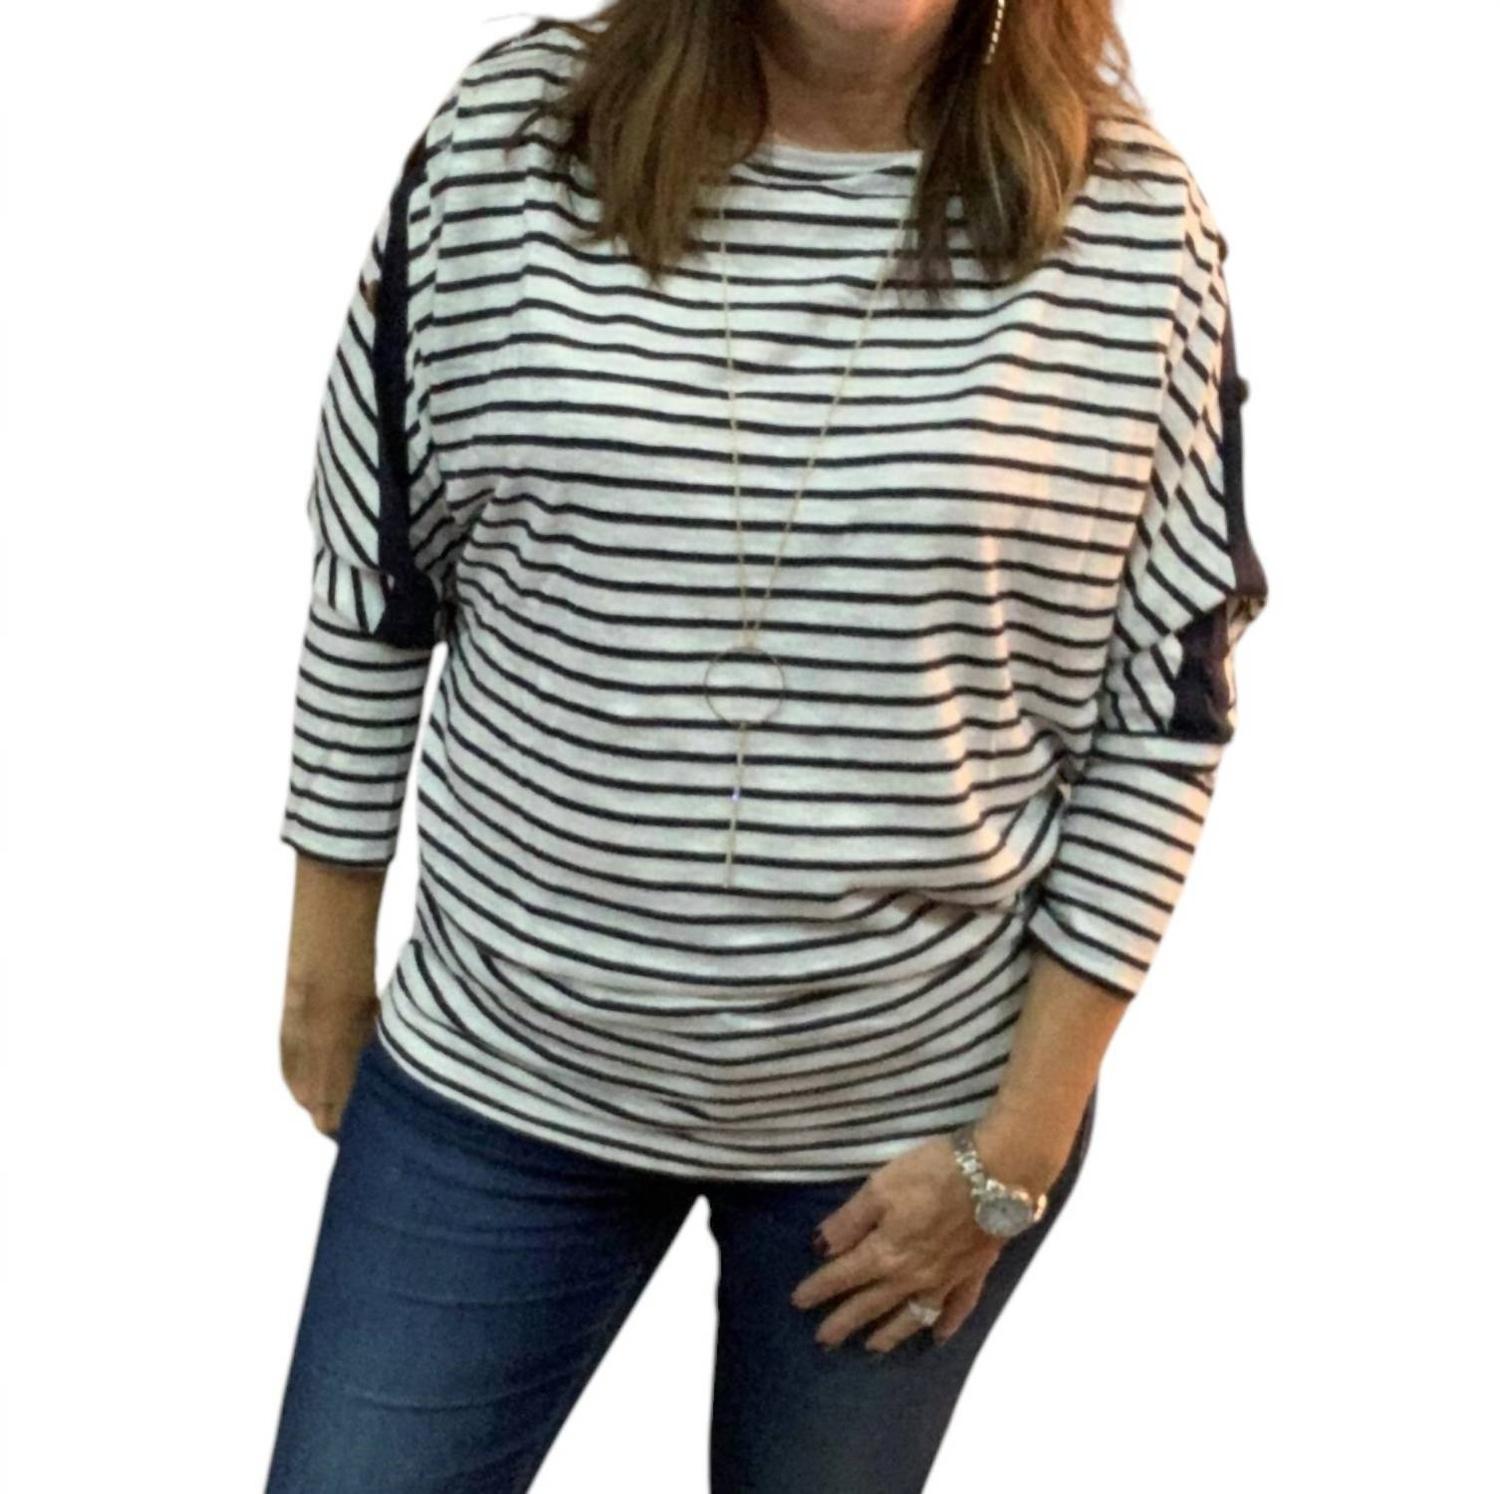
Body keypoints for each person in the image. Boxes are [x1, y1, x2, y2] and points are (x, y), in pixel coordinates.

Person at [266, 2, 1269, 1488]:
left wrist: (1017, 1150)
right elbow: (375, 573)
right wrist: (322, 966)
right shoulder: (511, 146)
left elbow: (1166, 712)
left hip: (904, 1133)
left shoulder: (1129, 231)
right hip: (504, 1076)